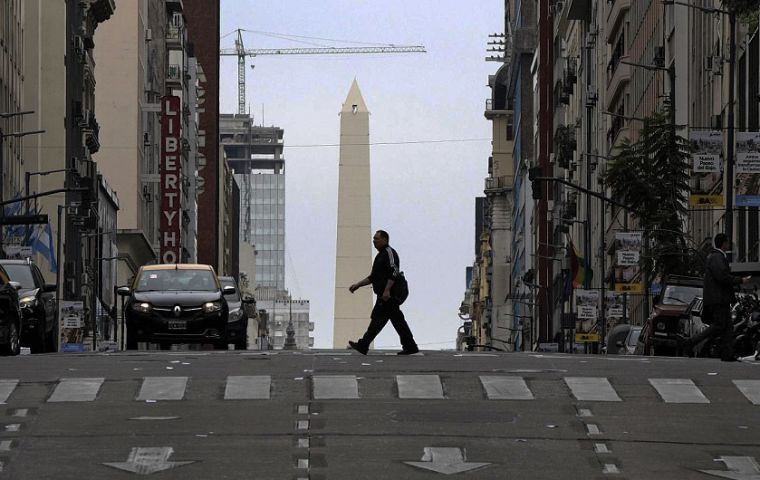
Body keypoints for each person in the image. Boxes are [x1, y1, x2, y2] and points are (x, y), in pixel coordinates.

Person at [347, 230, 419, 355]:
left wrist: (387, 290)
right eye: (373, 239)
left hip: (390, 295)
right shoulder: (380, 256)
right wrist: (358, 285)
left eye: (377, 239)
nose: (374, 241)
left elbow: (395, 271)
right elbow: (373, 277)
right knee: (395, 320)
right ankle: (410, 346)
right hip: (384, 295)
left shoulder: (389, 253)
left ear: (385, 240)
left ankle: (364, 344)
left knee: (379, 320)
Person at [685, 233, 752, 361]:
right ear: (724, 243)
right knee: (719, 325)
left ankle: (727, 354)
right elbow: (722, 276)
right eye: (728, 242)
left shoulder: (717, 257)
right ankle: (691, 342)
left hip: (720, 298)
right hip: (719, 299)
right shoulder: (717, 257)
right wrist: (741, 280)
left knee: (727, 327)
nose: (729, 244)